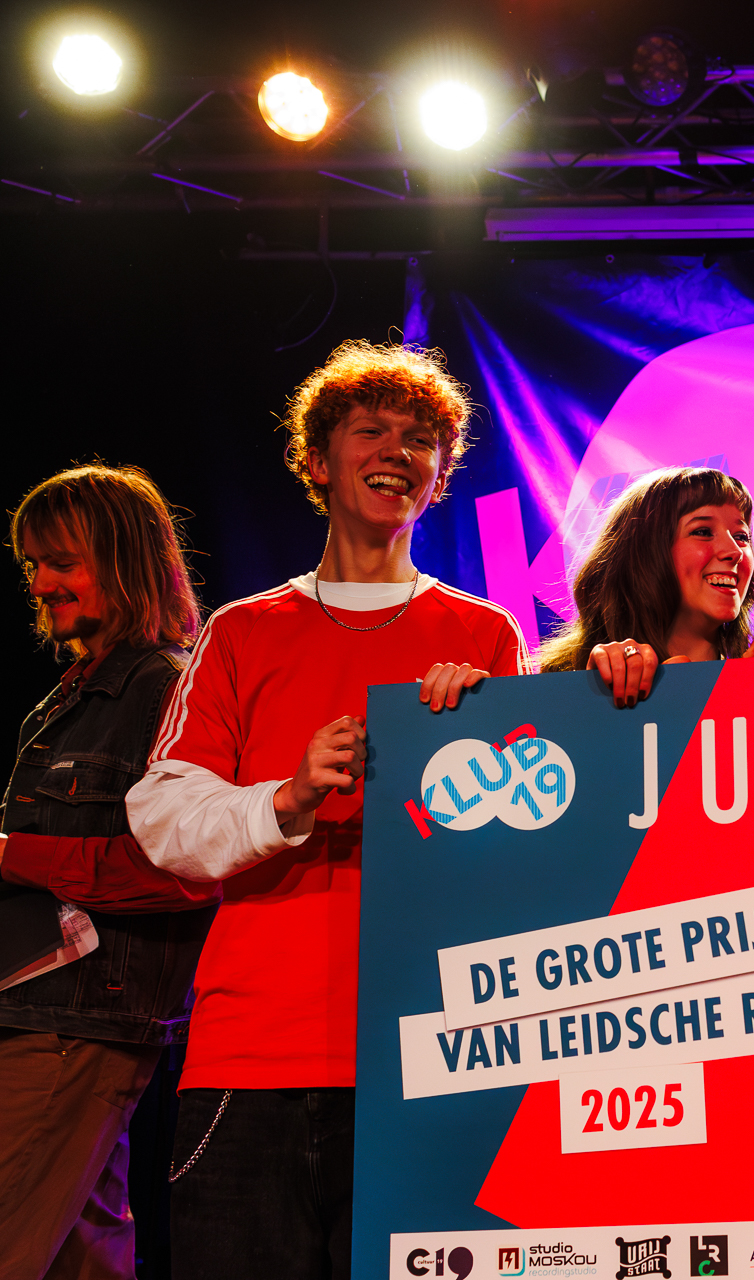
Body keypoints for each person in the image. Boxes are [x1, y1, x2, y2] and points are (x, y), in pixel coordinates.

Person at [124, 341, 530, 1278]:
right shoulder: (242, 630)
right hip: (254, 1059)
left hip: (434, 1058)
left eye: (421, 439)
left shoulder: (484, 636)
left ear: (440, 474)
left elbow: (526, 856)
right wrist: (292, 797)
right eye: (371, 430)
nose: (397, 451)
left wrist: (485, 755)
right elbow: (164, 819)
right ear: (315, 461)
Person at [0, 465, 220, 1280]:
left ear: (125, 561)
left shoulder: (167, 689)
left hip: (78, 1025)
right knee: (80, 1260)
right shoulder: (66, 697)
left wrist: (11, 856)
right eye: (33, 565)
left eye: (62, 562)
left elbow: (186, 871)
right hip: (43, 1011)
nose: (40, 584)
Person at [539, 466, 754, 701]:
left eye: (741, 536)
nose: (734, 551)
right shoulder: (569, 682)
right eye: (703, 531)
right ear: (643, 554)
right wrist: (591, 696)